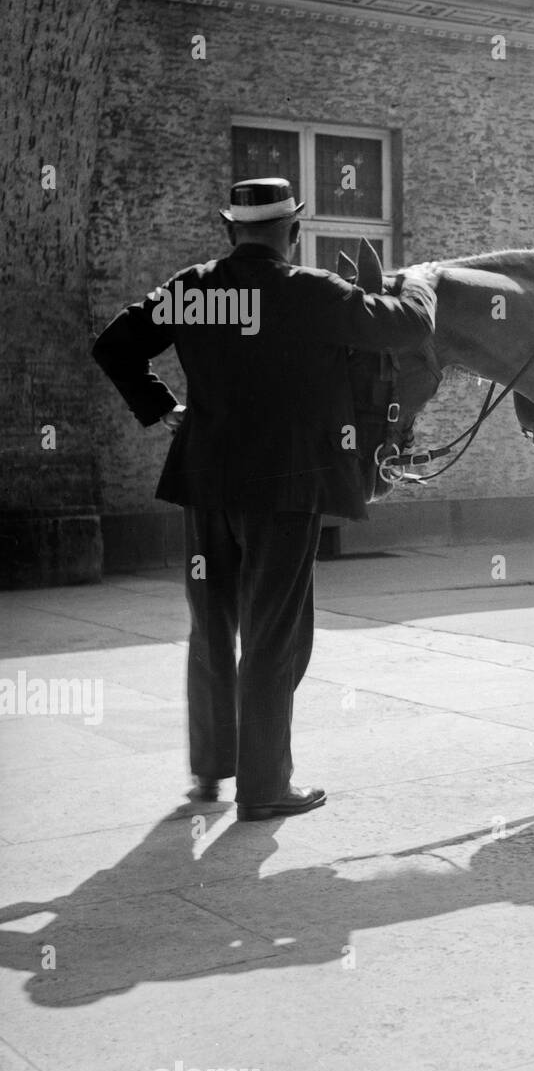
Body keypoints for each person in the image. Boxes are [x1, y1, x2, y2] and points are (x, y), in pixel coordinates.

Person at [93, 178, 437, 821]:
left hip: (204, 483)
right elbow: (408, 327)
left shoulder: (190, 289)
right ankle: (265, 786)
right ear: (293, 232)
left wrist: (163, 408)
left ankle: (210, 771)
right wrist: (418, 280)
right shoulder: (309, 292)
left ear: (231, 231)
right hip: (284, 487)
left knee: (212, 626)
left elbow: (112, 346)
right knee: (276, 633)